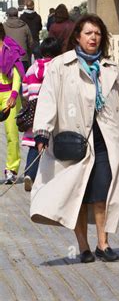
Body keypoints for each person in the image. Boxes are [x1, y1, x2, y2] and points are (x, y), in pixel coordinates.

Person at [30, 14, 119, 263]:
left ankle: (103, 243)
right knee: (79, 193)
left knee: (102, 192)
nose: (93, 38)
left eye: (97, 34)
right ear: (78, 36)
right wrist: (43, 131)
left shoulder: (111, 68)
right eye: (88, 33)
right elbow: (48, 98)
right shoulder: (61, 66)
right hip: (74, 141)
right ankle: (83, 246)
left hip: (106, 140)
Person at [21, 37, 62, 192]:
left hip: (33, 112)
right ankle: (52, 177)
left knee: (34, 144)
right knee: (52, 143)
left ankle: (29, 174)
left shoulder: (32, 69)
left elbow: (24, 90)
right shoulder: (57, 67)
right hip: (52, 111)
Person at [0, 24, 25, 184]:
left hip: (9, 94)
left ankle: (12, 169)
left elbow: (16, 73)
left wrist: (15, 94)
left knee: (12, 135)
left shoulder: (10, 48)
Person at [4, 6, 34, 73]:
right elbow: (30, 42)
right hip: (23, 58)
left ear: (8, 15)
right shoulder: (24, 25)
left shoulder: (4, 26)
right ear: (17, 15)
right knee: (23, 80)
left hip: (8, 58)